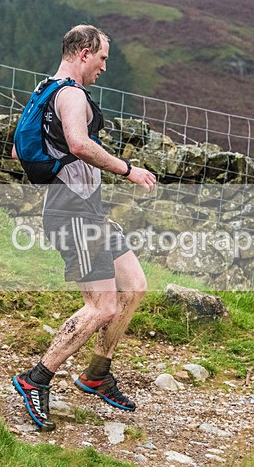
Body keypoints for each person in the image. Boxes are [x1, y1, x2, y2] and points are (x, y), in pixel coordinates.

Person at [12, 24, 157, 431]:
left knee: (135, 286)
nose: (104, 67)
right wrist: (128, 169)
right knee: (102, 306)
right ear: (83, 52)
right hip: (72, 213)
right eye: (102, 58)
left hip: (88, 210)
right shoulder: (71, 94)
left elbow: (17, 148)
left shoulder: (44, 90)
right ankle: (35, 378)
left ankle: (96, 373)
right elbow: (78, 143)